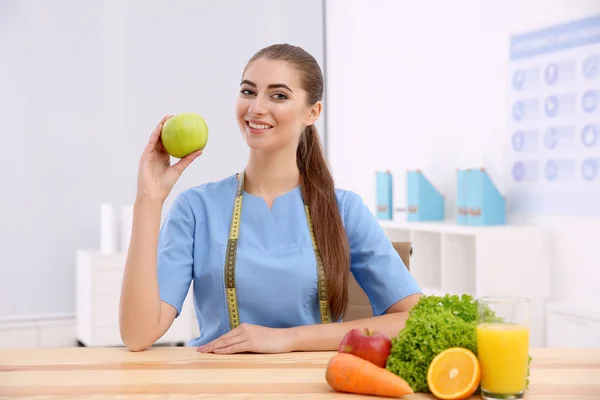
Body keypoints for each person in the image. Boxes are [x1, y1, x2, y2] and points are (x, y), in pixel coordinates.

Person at [119, 43, 422, 353]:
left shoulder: (344, 209)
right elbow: (138, 335)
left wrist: (288, 339)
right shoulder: (195, 208)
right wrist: (149, 198)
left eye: (278, 95)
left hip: (317, 384)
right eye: (248, 92)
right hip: (213, 383)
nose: (256, 108)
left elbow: (415, 318)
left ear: (312, 112)